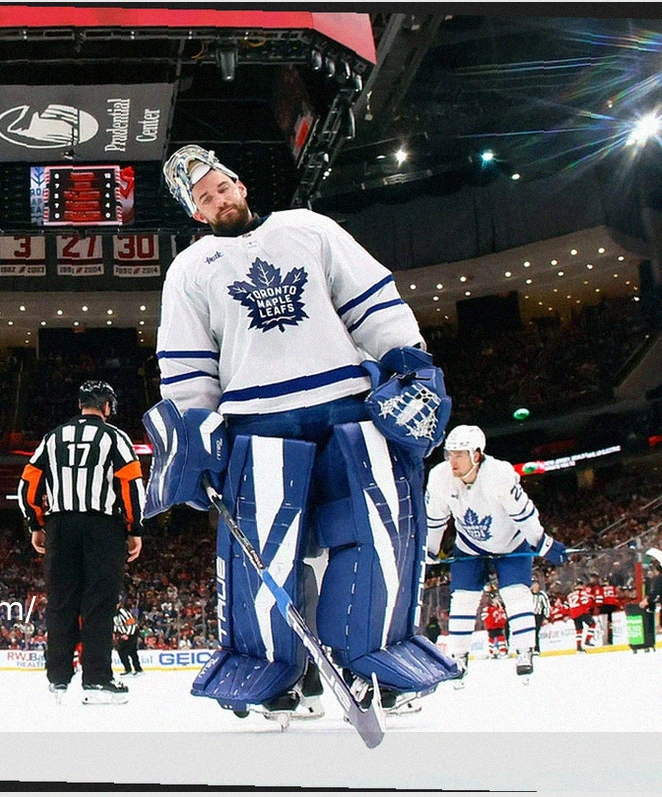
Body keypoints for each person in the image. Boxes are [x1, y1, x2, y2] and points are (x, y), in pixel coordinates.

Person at [142, 144, 459, 725]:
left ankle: (379, 661)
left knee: (377, 533)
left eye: (222, 187)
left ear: (239, 184)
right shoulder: (188, 271)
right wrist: (197, 436)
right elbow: (189, 368)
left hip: (346, 409)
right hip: (256, 425)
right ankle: (271, 675)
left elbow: (369, 301)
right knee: (266, 555)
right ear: (197, 214)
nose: (219, 199)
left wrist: (407, 359)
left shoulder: (308, 228)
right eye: (205, 198)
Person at [18, 381, 145, 705]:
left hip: (61, 526)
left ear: (80, 405)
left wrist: (37, 522)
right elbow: (131, 484)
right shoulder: (115, 437)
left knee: (61, 603)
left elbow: (28, 483)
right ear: (107, 407)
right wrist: (134, 528)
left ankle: (58, 679)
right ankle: (97, 679)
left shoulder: (54, 436)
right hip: (103, 527)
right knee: (98, 604)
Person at [424, 425, 568, 682]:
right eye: (450, 454)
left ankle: (524, 650)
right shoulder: (439, 477)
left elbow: (524, 513)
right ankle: (458, 657)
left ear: (476, 455)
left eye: (459, 454)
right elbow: (435, 519)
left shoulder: (500, 474)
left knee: (516, 594)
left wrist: (542, 543)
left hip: (510, 543)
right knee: (463, 599)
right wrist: (430, 549)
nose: (452, 461)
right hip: (470, 546)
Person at [114, 599, 143, 677]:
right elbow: (116, 624)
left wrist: (127, 634)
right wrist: (115, 633)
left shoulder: (123, 612)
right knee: (132, 651)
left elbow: (131, 624)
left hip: (132, 632)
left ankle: (128, 669)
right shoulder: (113, 613)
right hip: (124, 634)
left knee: (122, 651)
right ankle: (138, 669)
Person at [531, 581, 551, 655]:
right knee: (531, 633)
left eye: (537, 585)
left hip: (538, 615)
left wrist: (546, 616)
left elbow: (546, 606)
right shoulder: (529, 595)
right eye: (534, 585)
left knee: (536, 632)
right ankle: (530, 649)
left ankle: (536, 648)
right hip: (530, 616)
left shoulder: (542, 594)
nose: (536, 587)